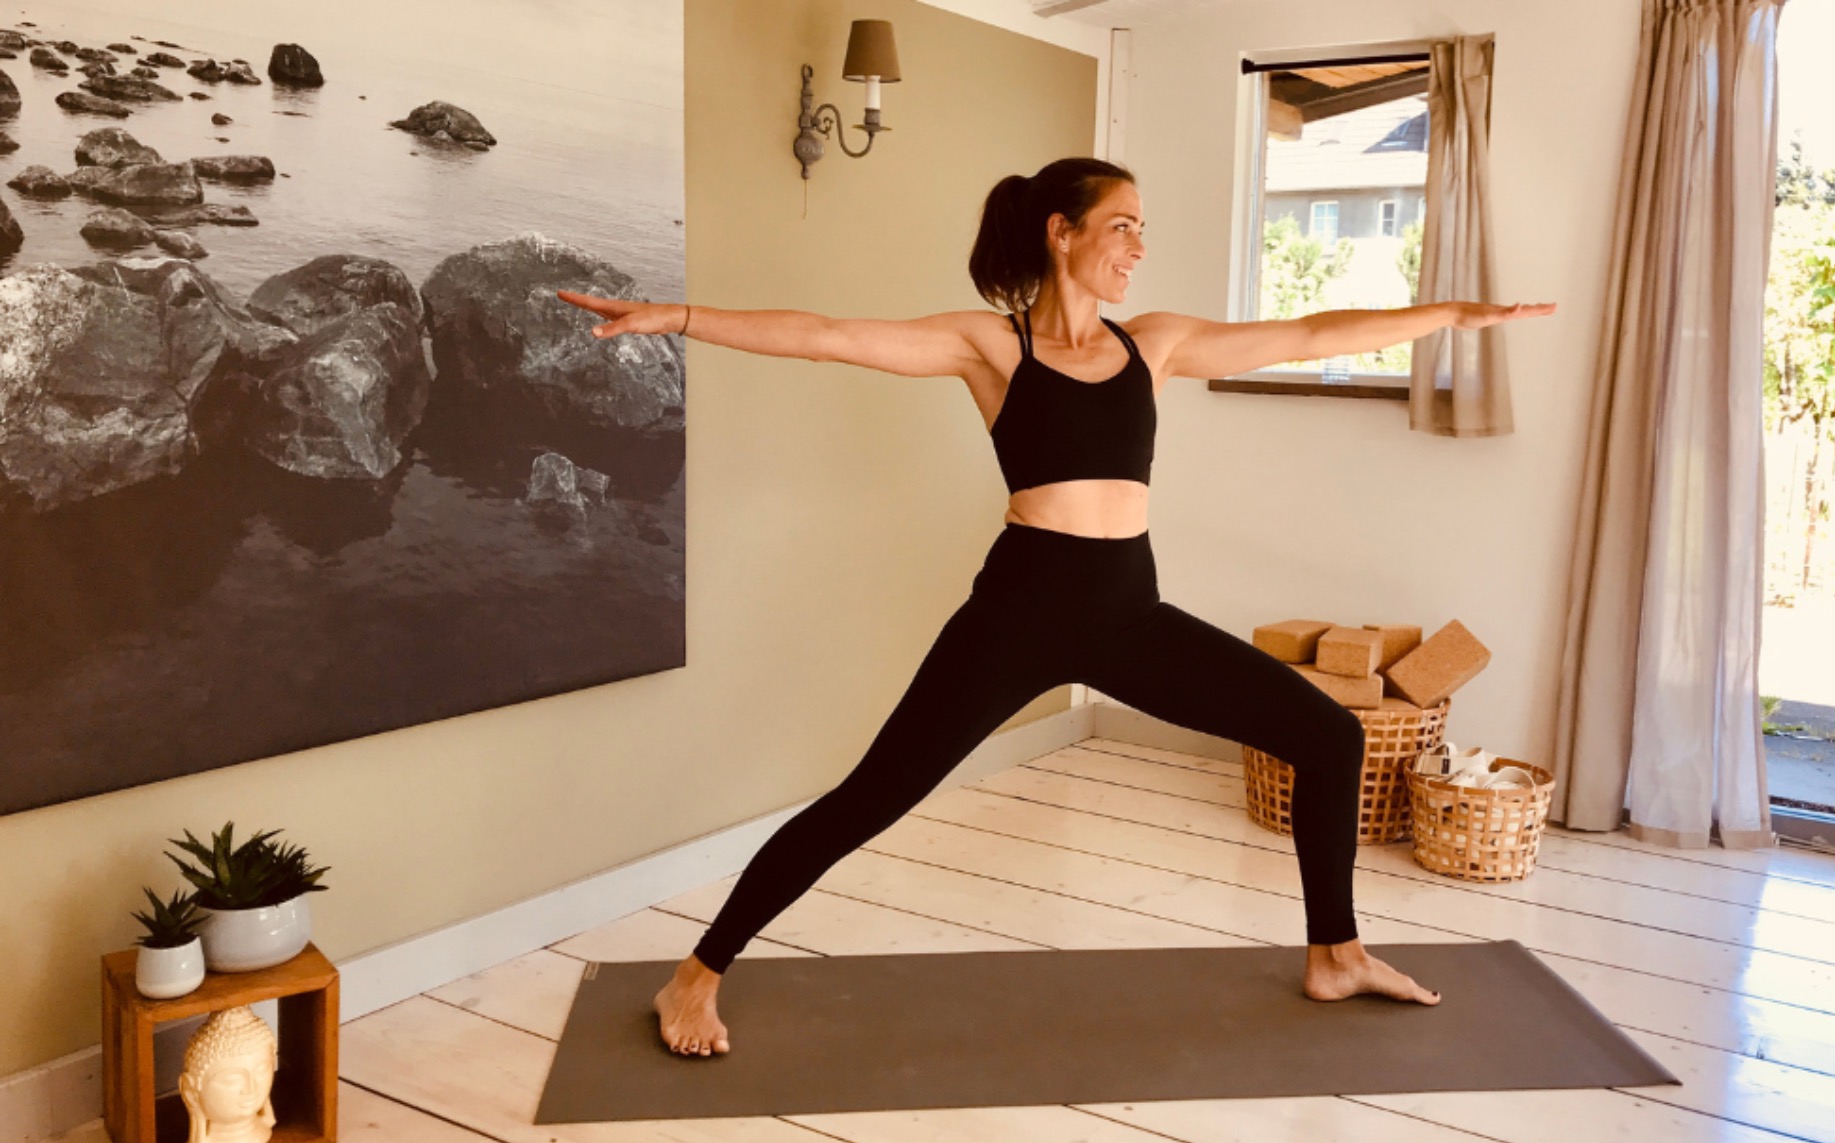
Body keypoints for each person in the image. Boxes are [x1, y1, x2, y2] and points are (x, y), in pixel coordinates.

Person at [560, 157, 1556, 1057]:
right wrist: (676, 316)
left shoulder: (1154, 343)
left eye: (1141, 229)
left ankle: (1335, 954)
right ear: (1061, 232)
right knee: (873, 795)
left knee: (1328, 735)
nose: (1138, 246)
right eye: (1122, 225)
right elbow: (826, 337)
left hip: (1129, 613)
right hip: (1020, 613)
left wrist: (1448, 316)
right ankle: (696, 974)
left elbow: (1305, 334)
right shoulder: (990, 345)